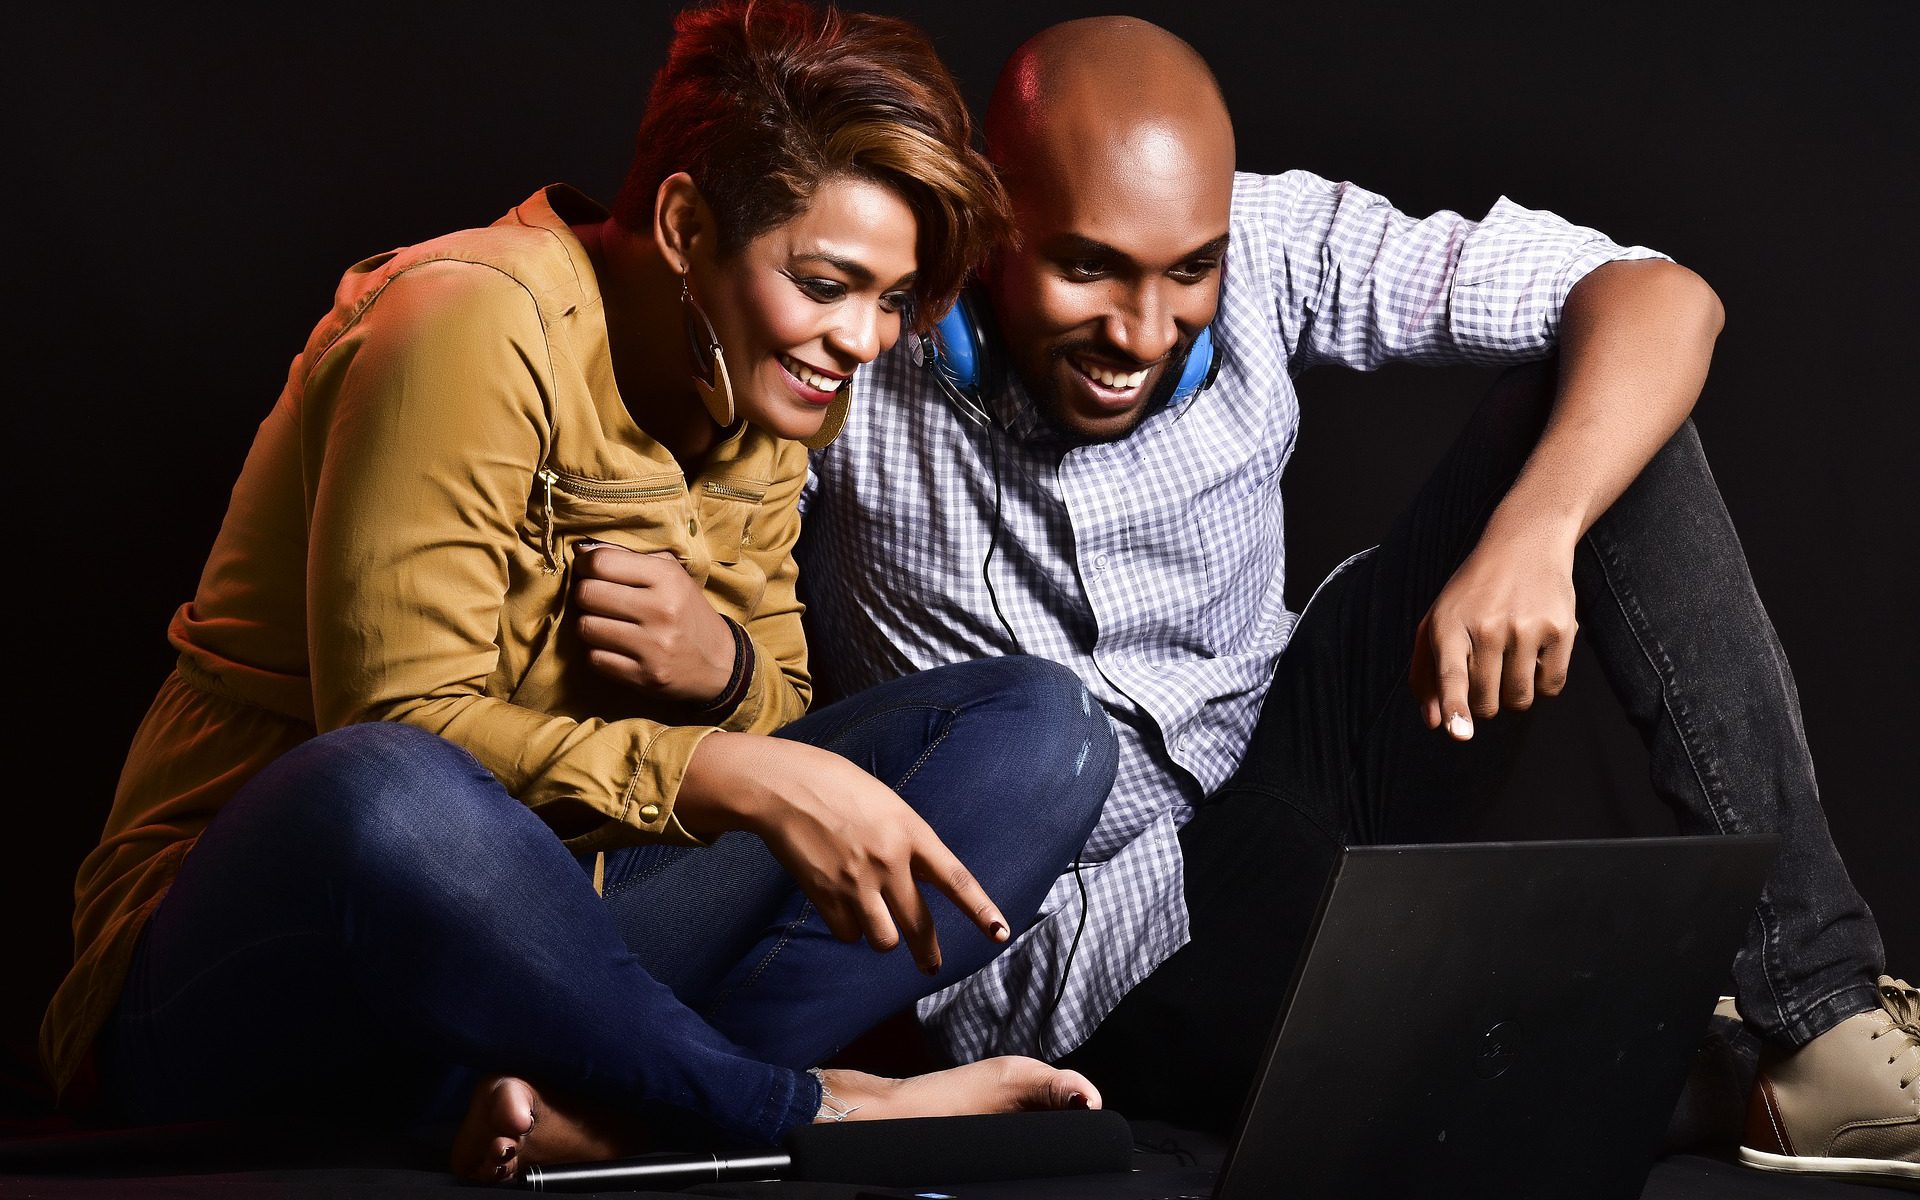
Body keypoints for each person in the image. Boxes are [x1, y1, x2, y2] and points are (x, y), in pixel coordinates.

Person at [795, 15, 1916, 1186]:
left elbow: (1659, 298)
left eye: (1188, 272)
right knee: (1517, 1074)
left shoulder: (1274, 242)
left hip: (1296, 775)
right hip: (1096, 955)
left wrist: (1537, 528)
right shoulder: (865, 332)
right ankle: (1677, 1072)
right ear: (987, 216)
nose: (1140, 331)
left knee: (1592, 415)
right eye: (1087, 267)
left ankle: (1822, 1018)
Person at [41, 0, 1118, 1183]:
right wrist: (712, 768)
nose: (862, 340)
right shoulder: (467, 321)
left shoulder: (772, 383)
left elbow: (783, 720)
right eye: (826, 282)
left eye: (894, 299)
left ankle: (617, 1114)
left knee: (1040, 734)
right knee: (387, 787)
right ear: (683, 224)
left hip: (561, 980)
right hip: (261, 975)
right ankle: (790, 1110)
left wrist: (728, 678)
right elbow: (395, 736)